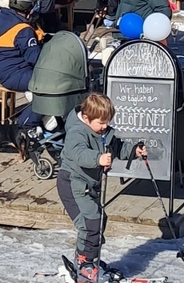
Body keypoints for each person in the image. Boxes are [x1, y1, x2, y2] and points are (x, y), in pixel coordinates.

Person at [58, 93, 147, 283]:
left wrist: (133, 151)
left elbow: (116, 146)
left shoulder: (101, 131)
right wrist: (98, 158)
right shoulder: (77, 131)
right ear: (87, 118)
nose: (105, 126)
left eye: (107, 122)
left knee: (97, 221)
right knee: (91, 222)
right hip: (72, 182)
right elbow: (78, 153)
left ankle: (87, 261)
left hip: (87, 186)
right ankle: (85, 267)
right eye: (101, 123)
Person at [0, 0, 45, 127]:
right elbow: (35, 58)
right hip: (17, 74)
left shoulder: (4, 19)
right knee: (51, 85)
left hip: (5, 72)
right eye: (34, 4)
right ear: (27, 6)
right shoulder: (23, 30)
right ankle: (25, 125)